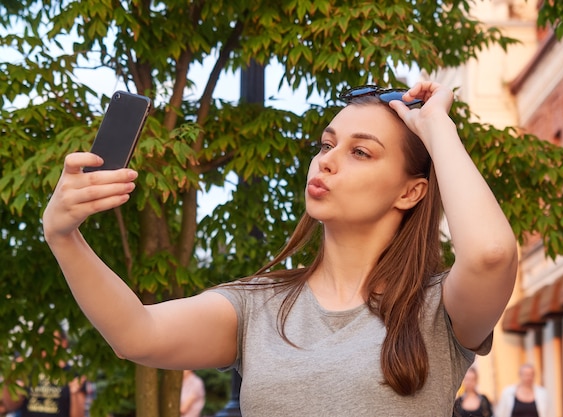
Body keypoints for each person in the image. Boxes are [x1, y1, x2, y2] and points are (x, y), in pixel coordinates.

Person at [41, 81, 518, 415]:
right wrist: (63, 236)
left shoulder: (438, 310)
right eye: (326, 144)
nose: (326, 161)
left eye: (360, 152)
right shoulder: (258, 306)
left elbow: (491, 254)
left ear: (410, 192)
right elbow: (136, 334)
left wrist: (437, 128)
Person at [1, 330, 86, 417]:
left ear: (63, 342)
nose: (43, 343)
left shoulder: (73, 374)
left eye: (49, 338)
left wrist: (74, 393)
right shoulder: (27, 372)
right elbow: (11, 406)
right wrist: (9, 378)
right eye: (39, 339)